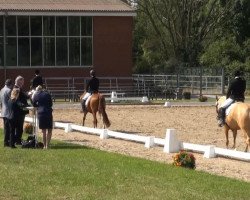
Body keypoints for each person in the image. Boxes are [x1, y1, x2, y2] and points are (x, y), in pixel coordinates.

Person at [13, 76, 29, 144]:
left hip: (20, 111)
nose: (23, 83)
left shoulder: (19, 88)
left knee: (19, 127)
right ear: (19, 81)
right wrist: (23, 105)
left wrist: (28, 95)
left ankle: (18, 140)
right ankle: (17, 141)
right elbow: (16, 100)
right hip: (18, 111)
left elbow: (23, 96)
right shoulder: (16, 88)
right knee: (19, 127)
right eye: (22, 81)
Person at [0, 79, 13, 147]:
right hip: (8, 111)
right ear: (10, 84)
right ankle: (9, 142)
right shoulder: (9, 90)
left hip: (3, 111)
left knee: (6, 128)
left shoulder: (1, 90)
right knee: (10, 128)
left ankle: (6, 142)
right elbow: (12, 100)